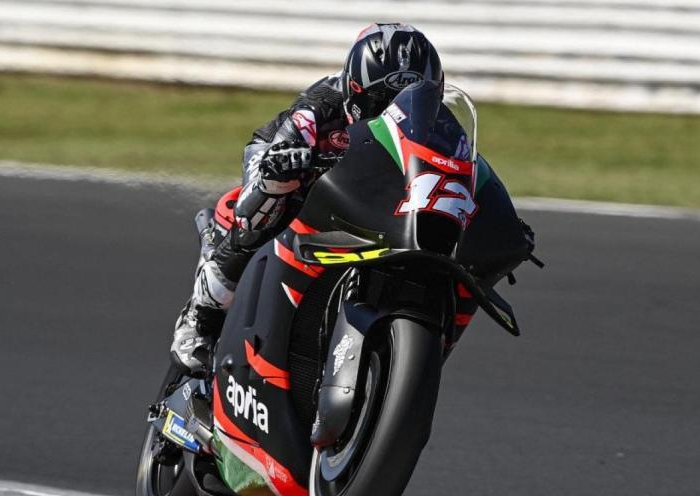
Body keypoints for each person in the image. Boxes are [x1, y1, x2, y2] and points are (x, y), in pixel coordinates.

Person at [170, 23, 531, 375]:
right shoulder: (318, 108)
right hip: (290, 162)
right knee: (262, 207)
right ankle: (199, 318)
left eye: (410, 100)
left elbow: (459, 171)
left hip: (376, 187)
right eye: (381, 101)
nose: (394, 112)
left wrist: (494, 219)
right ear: (353, 90)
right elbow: (274, 158)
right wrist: (284, 164)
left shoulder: (443, 124)